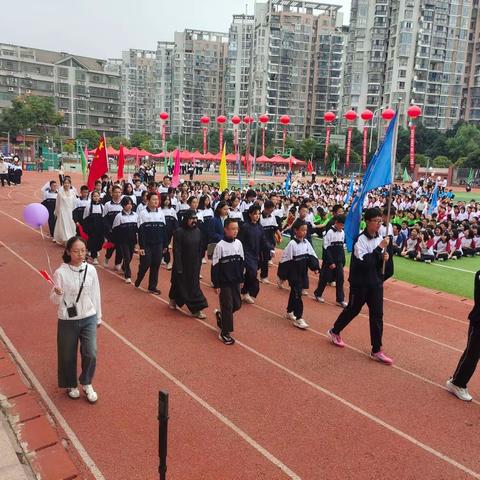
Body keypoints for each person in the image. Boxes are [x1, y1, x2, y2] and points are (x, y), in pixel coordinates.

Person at [327, 208, 394, 365]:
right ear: (367, 221)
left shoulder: (382, 239)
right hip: (360, 284)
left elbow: (382, 265)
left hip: (375, 284)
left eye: (380, 221)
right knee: (353, 309)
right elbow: (365, 264)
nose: (379, 224)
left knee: (377, 315)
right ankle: (334, 331)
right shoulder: (360, 240)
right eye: (376, 221)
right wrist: (379, 250)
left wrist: (386, 257)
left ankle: (376, 349)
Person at [50, 236, 101, 403]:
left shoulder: (91, 270)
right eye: (76, 251)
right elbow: (55, 300)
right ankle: (70, 384)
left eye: (83, 251)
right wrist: (57, 293)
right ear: (68, 252)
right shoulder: (60, 273)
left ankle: (86, 382)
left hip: (89, 317)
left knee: (91, 352)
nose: (80, 254)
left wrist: (98, 317)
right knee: (67, 354)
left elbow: (96, 294)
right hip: (67, 320)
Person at [278, 219, 320, 329]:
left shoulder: (307, 243)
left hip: (303, 274)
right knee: (298, 295)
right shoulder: (292, 244)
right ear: (295, 231)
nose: (304, 232)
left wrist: (315, 267)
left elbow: (312, 256)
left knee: (295, 293)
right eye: (302, 230)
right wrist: (283, 275)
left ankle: (289, 311)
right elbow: (285, 260)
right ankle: (298, 318)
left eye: (306, 230)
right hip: (294, 274)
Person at [446, 270, 480, 401]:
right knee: (472, 354)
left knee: (472, 353)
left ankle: (456, 380)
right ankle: (457, 383)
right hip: (478, 322)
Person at [168, 209, 208, 318]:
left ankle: (195, 308)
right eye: (191, 219)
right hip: (182, 263)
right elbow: (177, 250)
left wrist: (199, 260)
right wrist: (179, 266)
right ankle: (194, 309)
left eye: (195, 218)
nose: (194, 221)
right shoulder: (179, 232)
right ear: (186, 219)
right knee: (179, 283)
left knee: (193, 285)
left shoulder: (198, 231)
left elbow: (200, 248)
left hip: (194, 263)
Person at [211, 218, 245, 345]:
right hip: (224, 282)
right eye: (232, 228)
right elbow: (215, 266)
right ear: (225, 230)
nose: (235, 231)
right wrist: (216, 284)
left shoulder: (239, 244)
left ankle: (222, 315)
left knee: (237, 305)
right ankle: (225, 333)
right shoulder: (220, 246)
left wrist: (241, 279)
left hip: (235, 280)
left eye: (237, 228)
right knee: (228, 306)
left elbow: (241, 262)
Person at [135, 192, 166, 295]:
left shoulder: (161, 213)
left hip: (158, 244)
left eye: (157, 199)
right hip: (147, 244)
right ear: (148, 200)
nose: (156, 201)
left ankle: (152, 286)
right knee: (146, 263)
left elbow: (164, 230)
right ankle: (139, 277)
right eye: (153, 199)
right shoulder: (143, 214)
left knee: (156, 264)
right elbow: (141, 231)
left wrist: (164, 245)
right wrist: (142, 247)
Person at [313, 214, 347, 307]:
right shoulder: (330, 233)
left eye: (343, 225)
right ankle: (318, 294)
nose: (342, 227)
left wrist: (342, 260)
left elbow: (341, 248)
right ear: (336, 223)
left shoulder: (343, 233)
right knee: (324, 278)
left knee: (340, 279)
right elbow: (326, 248)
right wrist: (330, 262)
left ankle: (340, 299)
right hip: (329, 260)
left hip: (339, 260)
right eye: (341, 224)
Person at [237, 204, 266, 304]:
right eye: (255, 214)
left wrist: (270, 249)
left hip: (255, 254)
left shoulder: (260, 227)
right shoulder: (245, 227)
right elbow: (240, 240)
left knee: (250, 274)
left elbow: (263, 241)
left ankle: (244, 291)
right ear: (250, 215)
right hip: (246, 253)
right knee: (252, 273)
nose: (257, 216)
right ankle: (245, 292)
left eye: (259, 214)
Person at [111, 197, 138, 284]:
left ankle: (124, 267)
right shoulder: (119, 216)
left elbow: (137, 229)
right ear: (123, 205)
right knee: (126, 257)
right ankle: (128, 276)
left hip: (132, 241)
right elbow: (115, 229)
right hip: (123, 241)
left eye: (131, 204)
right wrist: (116, 241)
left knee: (129, 257)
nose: (129, 206)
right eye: (127, 204)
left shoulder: (135, 215)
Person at [102, 185, 124, 270]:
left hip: (121, 231)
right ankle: (107, 258)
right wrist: (109, 228)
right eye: (116, 192)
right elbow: (105, 218)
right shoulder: (108, 205)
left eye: (119, 192)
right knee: (111, 247)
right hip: (111, 230)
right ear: (112, 193)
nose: (118, 194)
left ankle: (117, 263)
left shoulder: (123, 204)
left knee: (120, 248)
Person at [259, 199, 279, 284]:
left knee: (265, 259)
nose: (272, 211)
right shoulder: (259, 216)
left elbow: (275, 228)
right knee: (259, 260)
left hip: (269, 241)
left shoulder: (272, 216)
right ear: (266, 209)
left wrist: (279, 236)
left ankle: (264, 276)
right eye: (271, 210)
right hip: (260, 241)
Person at [83, 191, 104, 265]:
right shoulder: (89, 207)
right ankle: (94, 257)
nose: (96, 198)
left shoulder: (102, 207)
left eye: (97, 196)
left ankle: (90, 249)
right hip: (91, 228)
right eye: (94, 196)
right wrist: (86, 228)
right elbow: (85, 217)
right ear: (92, 197)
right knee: (93, 242)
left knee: (101, 242)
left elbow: (104, 218)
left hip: (100, 228)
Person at [53, 177, 77, 245]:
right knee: (64, 226)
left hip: (71, 212)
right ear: (63, 184)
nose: (66, 184)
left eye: (68, 183)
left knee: (71, 226)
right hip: (63, 212)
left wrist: (75, 213)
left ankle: (71, 239)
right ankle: (66, 240)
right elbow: (57, 203)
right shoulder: (60, 193)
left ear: (70, 184)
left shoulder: (73, 192)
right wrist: (56, 212)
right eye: (65, 183)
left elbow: (75, 203)